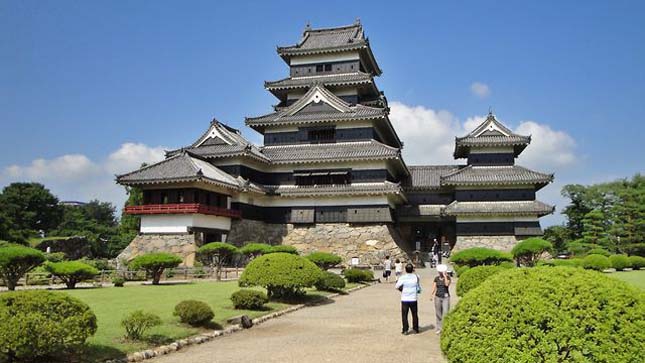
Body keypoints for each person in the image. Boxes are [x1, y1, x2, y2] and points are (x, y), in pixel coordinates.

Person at [395, 263, 420, 335]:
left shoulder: (403, 277)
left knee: (404, 315)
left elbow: (397, 286)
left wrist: (401, 289)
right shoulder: (416, 277)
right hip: (413, 298)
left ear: (405, 270)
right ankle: (416, 328)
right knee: (414, 314)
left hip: (405, 298)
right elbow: (418, 280)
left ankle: (405, 329)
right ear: (412, 269)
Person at [431, 264, 451, 334]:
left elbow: (446, 284)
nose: (440, 273)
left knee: (445, 312)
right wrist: (431, 294)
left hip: (446, 297)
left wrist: (445, 276)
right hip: (437, 296)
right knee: (438, 313)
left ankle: (445, 328)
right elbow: (434, 286)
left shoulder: (448, 278)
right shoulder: (436, 278)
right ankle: (439, 328)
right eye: (440, 272)